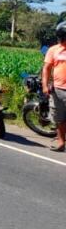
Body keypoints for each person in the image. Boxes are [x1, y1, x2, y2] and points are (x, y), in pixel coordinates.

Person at [41, 22, 66, 152]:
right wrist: (45, 85)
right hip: (58, 89)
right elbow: (46, 68)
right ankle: (61, 142)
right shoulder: (53, 50)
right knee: (59, 118)